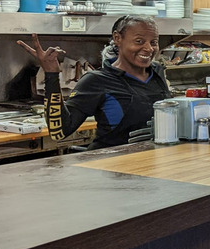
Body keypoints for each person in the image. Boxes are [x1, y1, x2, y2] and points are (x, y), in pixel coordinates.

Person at [17, 15, 172, 150]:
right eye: (139, 41)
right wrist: (51, 74)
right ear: (117, 38)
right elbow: (60, 131)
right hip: (110, 169)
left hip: (150, 164)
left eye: (153, 42)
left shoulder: (157, 73)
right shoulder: (96, 81)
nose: (149, 49)